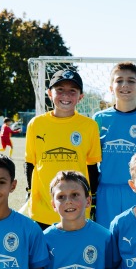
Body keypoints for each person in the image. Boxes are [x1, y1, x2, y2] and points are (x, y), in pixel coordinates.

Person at [20, 171, 117, 269]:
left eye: (75, 195)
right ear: (53, 204)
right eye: (61, 197)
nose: (68, 201)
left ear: (88, 201)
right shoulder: (44, 238)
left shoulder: (104, 236)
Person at [25, 69, 101, 230]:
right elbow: (30, 163)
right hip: (42, 209)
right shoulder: (36, 124)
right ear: (49, 93)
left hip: (76, 209)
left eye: (72, 91)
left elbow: (92, 166)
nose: (66, 95)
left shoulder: (89, 126)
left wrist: (93, 199)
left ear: (80, 97)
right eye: (60, 90)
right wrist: (30, 191)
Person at [93, 62, 136, 229]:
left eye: (131, 81)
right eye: (119, 80)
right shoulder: (99, 119)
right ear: (111, 88)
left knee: (135, 236)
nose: (125, 85)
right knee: (107, 237)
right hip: (106, 191)